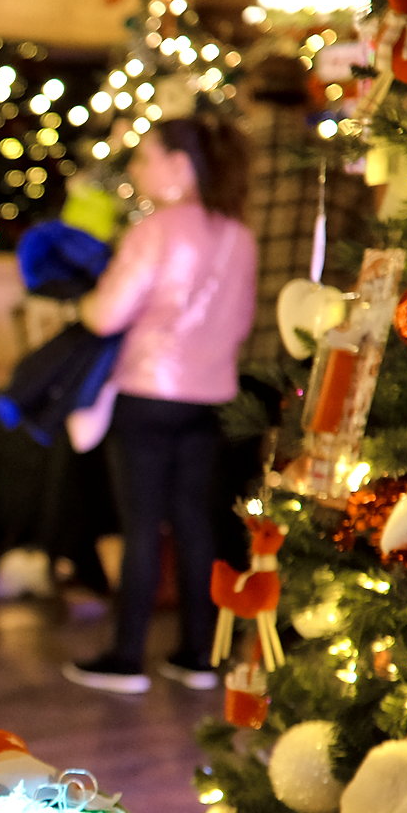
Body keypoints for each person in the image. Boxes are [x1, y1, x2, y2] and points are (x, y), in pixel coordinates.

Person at [61, 116, 257, 696]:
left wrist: (80, 305)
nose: (138, 170)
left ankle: (127, 659)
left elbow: (105, 314)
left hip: (147, 392)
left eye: (146, 158)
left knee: (142, 526)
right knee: (197, 522)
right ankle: (198, 654)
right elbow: (242, 320)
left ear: (179, 166)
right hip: (212, 394)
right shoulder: (238, 235)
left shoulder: (154, 232)